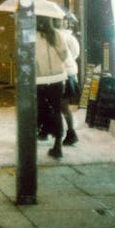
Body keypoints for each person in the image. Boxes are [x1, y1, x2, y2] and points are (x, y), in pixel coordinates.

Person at [35, 15, 68, 159]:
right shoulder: (56, 34)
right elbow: (64, 54)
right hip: (56, 79)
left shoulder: (31, 35)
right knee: (56, 109)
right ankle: (58, 145)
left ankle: (44, 131)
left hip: (39, 80)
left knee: (41, 108)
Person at [57, 18, 80, 146]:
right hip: (66, 73)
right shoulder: (70, 37)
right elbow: (76, 54)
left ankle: (69, 133)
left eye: (64, 21)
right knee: (62, 106)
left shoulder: (63, 37)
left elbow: (74, 54)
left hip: (63, 74)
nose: (62, 23)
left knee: (61, 106)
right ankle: (69, 132)